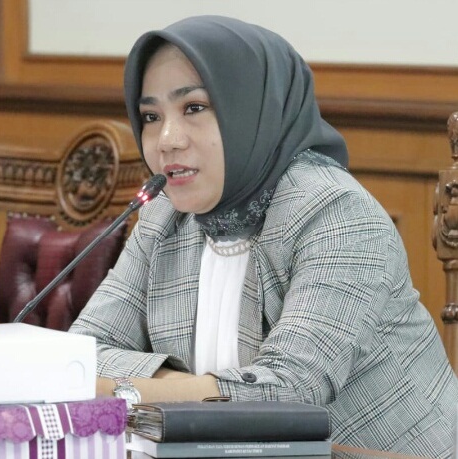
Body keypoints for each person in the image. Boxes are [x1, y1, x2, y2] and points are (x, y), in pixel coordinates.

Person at [69, 15, 458, 456]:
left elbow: (287, 396)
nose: (166, 140)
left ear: (253, 109)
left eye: (194, 108)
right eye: (151, 116)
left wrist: (131, 387)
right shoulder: (164, 216)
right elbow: (82, 355)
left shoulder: (338, 215)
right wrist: (184, 386)